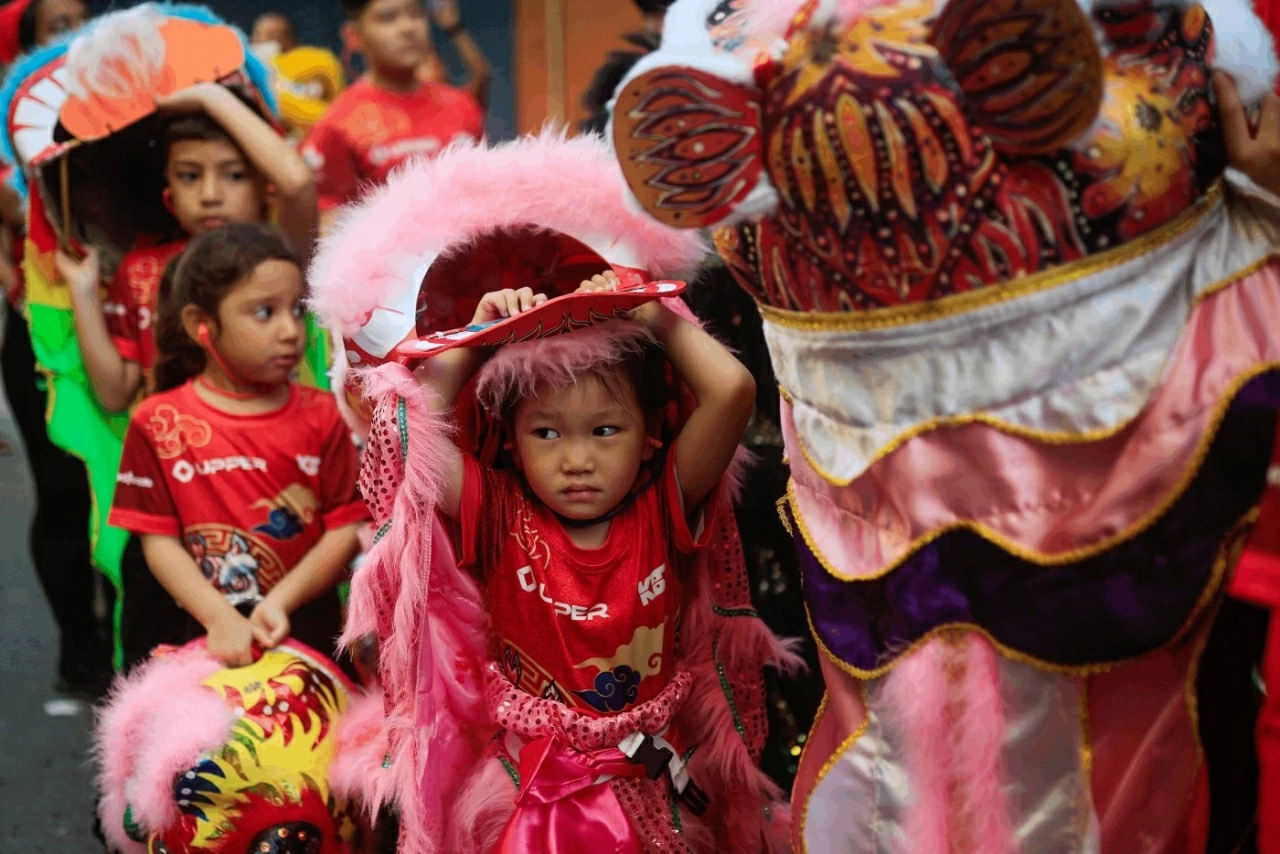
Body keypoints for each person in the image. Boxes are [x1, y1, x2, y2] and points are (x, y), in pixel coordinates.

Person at [99, 223, 366, 670]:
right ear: (201, 326)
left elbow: (344, 526)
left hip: (302, 629)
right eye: (264, 313)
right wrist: (220, 618)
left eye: (296, 311)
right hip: (196, 634)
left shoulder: (325, 413)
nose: (289, 331)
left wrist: (279, 602)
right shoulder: (159, 420)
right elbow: (159, 541)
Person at [58, 82, 318, 414]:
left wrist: (210, 98)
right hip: (181, 458)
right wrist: (84, 292)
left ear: (265, 187)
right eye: (190, 176)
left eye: (235, 176)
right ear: (169, 191)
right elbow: (115, 394)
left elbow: (297, 184)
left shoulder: (280, 259)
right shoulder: (140, 272)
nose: (210, 194)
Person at [303, 0, 490, 223]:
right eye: (388, 18)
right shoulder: (336, 124)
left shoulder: (463, 106)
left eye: (416, 14)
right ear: (354, 37)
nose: (408, 28)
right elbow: (329, 223)